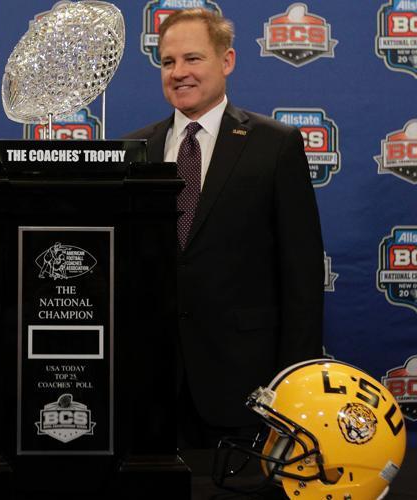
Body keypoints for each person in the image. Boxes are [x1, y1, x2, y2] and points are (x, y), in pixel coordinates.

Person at [124, 9, 324, 448]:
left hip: (245, 387)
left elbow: (302, 279)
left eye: (192, 59)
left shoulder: (275, 146)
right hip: (149, 386)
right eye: (168, 62)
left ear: (227, 61)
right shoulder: (133, 150)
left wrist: (294, 389)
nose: (179, 73)